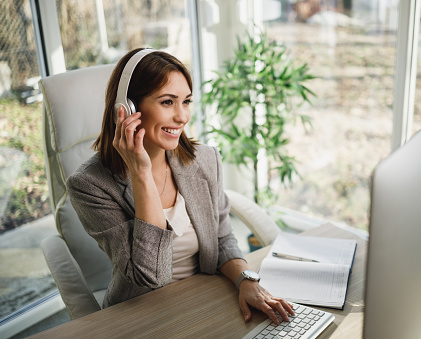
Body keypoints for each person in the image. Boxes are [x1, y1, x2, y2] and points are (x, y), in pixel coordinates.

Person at [66, 48, 293, 324]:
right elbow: (150, 276)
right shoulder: (89, 185)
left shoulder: (205, 159)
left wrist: (247, 280)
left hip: (204, 298)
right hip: (139, 314)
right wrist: (141, 174)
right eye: (167, 102)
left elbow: (222, 240)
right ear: (127, 109)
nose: (182, 117)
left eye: (186, 102)